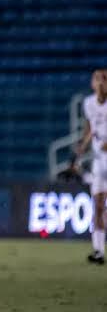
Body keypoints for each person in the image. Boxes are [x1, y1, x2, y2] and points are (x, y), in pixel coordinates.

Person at [74, 69, 107, 265]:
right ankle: (98, 251)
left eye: (104, 79)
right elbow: (90, 128)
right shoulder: (88, 103)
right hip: (98, 160)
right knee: (98, 205)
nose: (100, 83)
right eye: (97, 79)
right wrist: (82, 146)